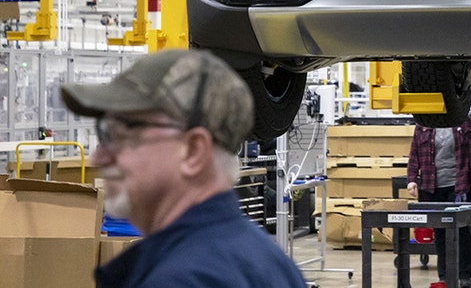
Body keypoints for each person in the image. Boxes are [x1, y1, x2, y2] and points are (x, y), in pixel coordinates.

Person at [59, 48, 306, 288]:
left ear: (192, 151)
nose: (98, 157)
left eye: (119, 134)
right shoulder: (271, 262)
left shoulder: (179, 278)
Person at [406, 119, 471, 288]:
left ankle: (465, 275)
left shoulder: (465, 123)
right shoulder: (423, 124)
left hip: (458, 186)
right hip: (432, 187)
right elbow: (414, 154)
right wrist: (411, 179)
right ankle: (444, 275)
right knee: (440, 233)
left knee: (462, 231)